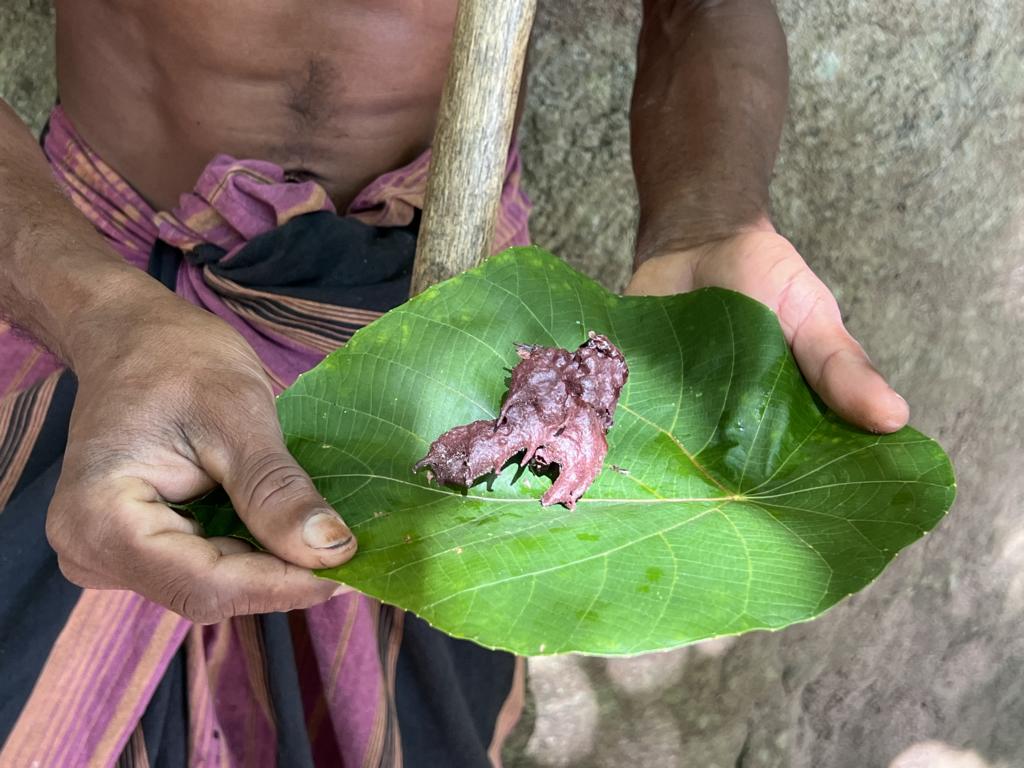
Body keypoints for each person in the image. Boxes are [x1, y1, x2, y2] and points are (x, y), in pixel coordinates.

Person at [0, 0, 910, 765]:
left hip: (455, 324)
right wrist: (96, 313)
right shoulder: (94, 309)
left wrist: (705, 220)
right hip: (93, 288)